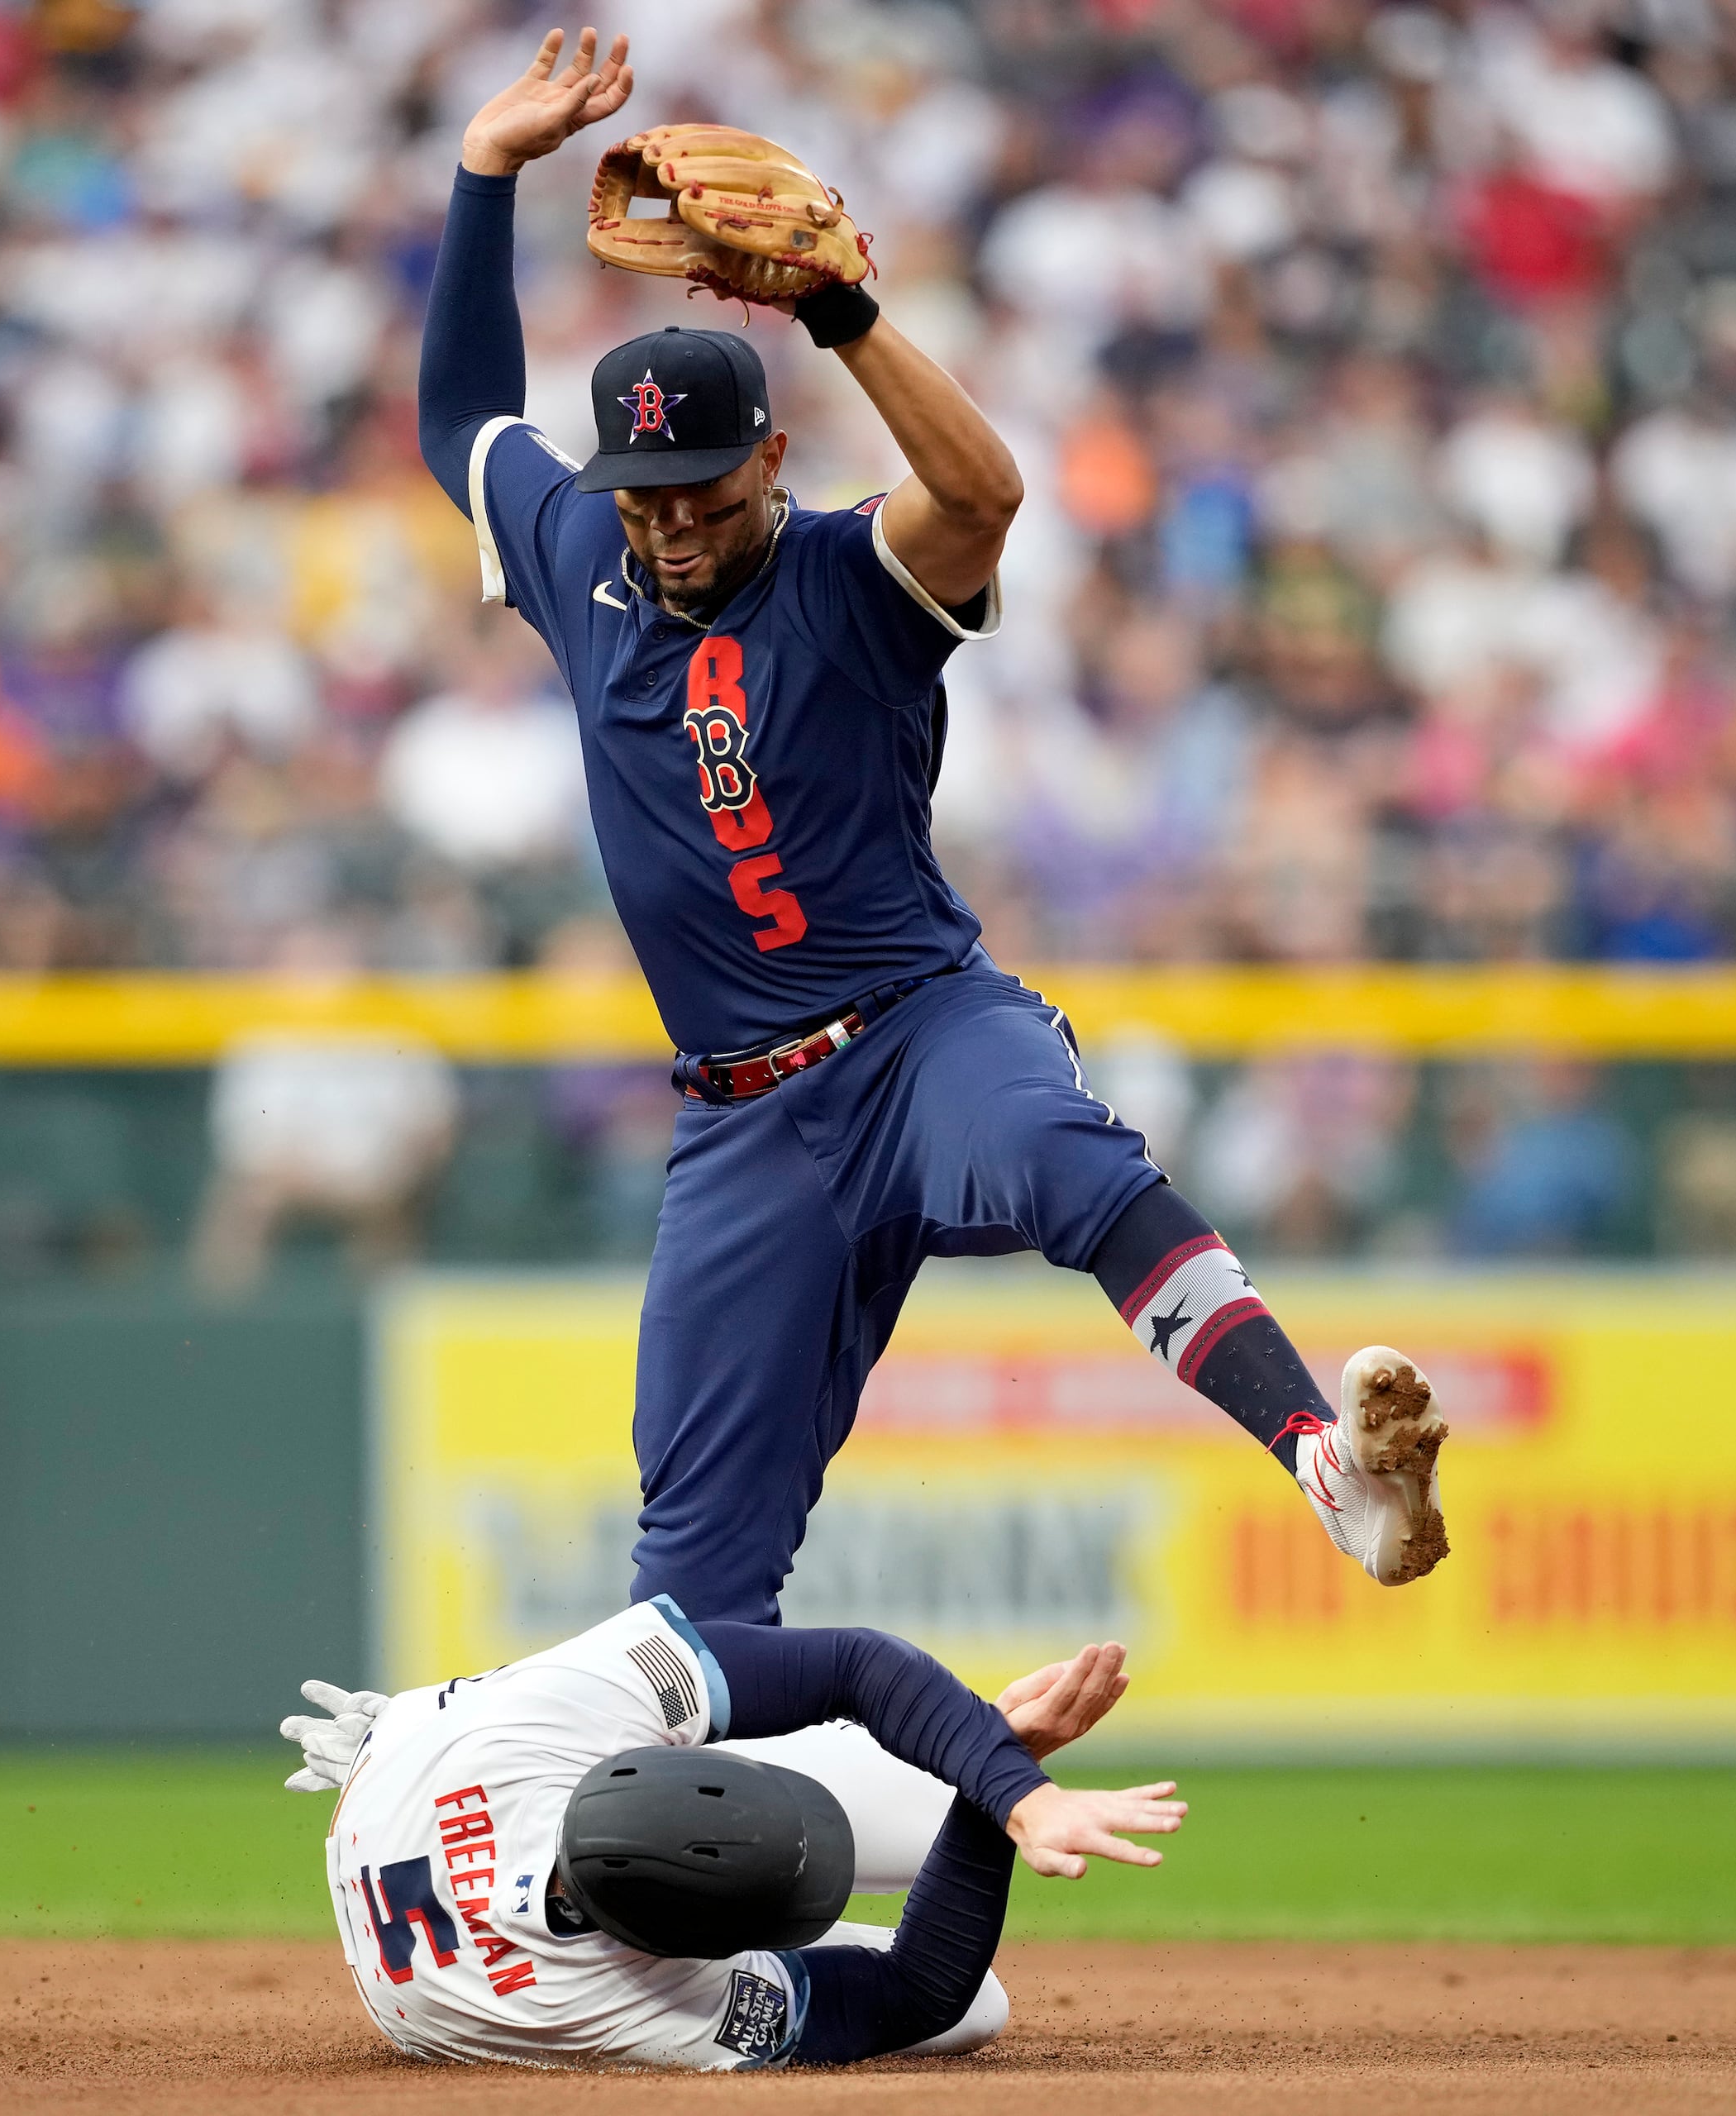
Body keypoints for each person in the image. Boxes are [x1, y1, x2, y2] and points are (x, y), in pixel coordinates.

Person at [416, 29, 1453, 1632]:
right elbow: (464, 422)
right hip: (743, 1123)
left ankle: (1327, 1461)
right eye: (647, 492)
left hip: (916, 1035)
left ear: (771, 457)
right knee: (688, 1591)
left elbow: (982, 496)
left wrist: (843, 311)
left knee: (1065, 1159)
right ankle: (709, 1871)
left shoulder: (846, 577)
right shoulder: (582, 557)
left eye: (703, 483)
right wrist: (485, 176)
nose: (674, 517)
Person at [279, 1595, 1177, 2068]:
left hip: (419, 1770)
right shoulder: (625, 2009)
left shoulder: (545, 1720)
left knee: (943, 1765)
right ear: (681, 1955)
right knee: (986, 2005)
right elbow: (923, 1991)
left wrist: (1009, 1783)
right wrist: (990, 1799)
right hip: (443, 1885)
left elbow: (853, 1664)